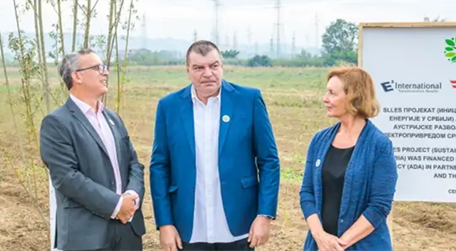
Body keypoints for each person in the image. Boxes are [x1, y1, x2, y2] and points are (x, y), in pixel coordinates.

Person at [149, 40, 280, 251]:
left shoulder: (249, 100)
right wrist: (165, 223)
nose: (207, 73)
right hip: (188, 226)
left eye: (214, 65)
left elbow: (269, 161)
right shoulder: (169, 106)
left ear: (222, 66)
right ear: (188, 70)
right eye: (199, 68)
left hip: (239, 223)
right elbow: (159, 167)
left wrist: (264, 215)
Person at [39, 49, 146, 251]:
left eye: (104, 68)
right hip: (86, 236)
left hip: (127, 232)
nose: (105, 73)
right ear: (77, 76)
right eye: (98, 68)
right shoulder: (56, 123)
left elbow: (134, 163)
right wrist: (115, 206)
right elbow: (67, 178)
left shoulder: (113, 118)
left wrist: (131, 197)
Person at [299, 67, 397, 251]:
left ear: (353, 97)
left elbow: (379, 205)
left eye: (332, 93)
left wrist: (338, 245)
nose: (325, 98)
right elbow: (307, 192)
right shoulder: (319, 140)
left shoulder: (379, 145)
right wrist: (320, 238)